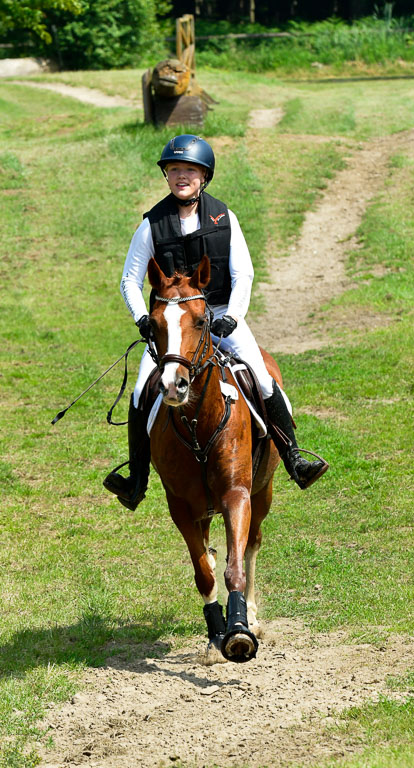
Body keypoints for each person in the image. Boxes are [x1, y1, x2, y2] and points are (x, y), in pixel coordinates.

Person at [104, 134, 329, 510]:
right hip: (174, 324)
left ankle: (294, 459)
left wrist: (233, 318)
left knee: (262, 379)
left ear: (204, 176)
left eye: (189, 170)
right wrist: (143, 317)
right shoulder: (151, 225)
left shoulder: (225, 218)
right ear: (166, 175)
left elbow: (244, 274)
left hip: (222, 315)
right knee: (142, 389)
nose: (181, 176)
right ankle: (136, 479)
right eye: (174, 170)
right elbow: (129, 279)